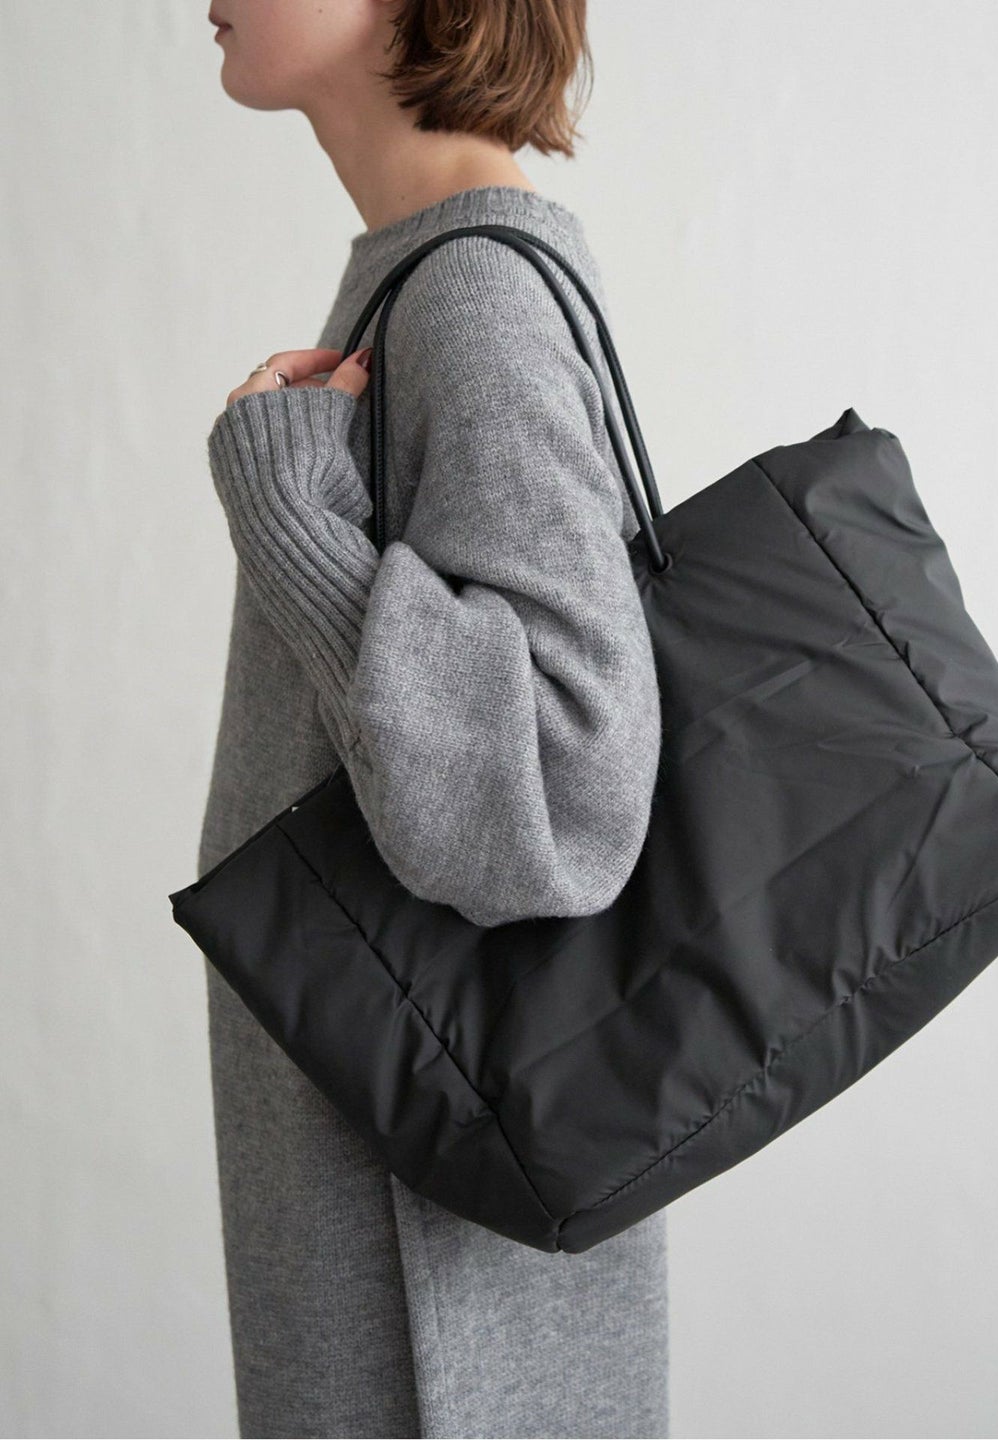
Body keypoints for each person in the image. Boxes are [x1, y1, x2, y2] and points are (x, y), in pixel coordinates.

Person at [197, 0, 669, 1435]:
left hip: (443, 1292)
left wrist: (296, 525)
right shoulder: (426, 276)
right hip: (407, 1207)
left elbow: (568, 796)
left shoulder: (471, 299)